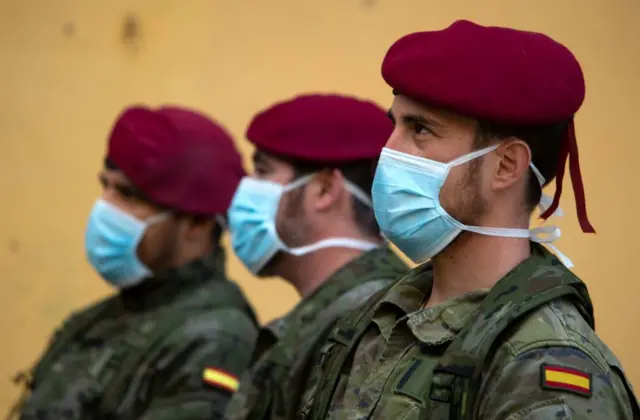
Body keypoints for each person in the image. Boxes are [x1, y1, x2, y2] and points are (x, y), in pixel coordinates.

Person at [297, 20, 640, 419]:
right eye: (395, 125)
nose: (389, 151)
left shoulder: (544, 372)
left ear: (506, 166)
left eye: (420, 129)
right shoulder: (381, 318)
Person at [9, 105, 259, 420]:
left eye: (128, 195)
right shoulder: (98, 319)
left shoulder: (216, 337)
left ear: (197, 224)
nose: (105, 208)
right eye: (106, 186)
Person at [223, 93, 409, 420]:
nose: (246, 189)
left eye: (263, 171)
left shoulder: (366, 321)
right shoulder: (337, 313)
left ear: (323, 189)